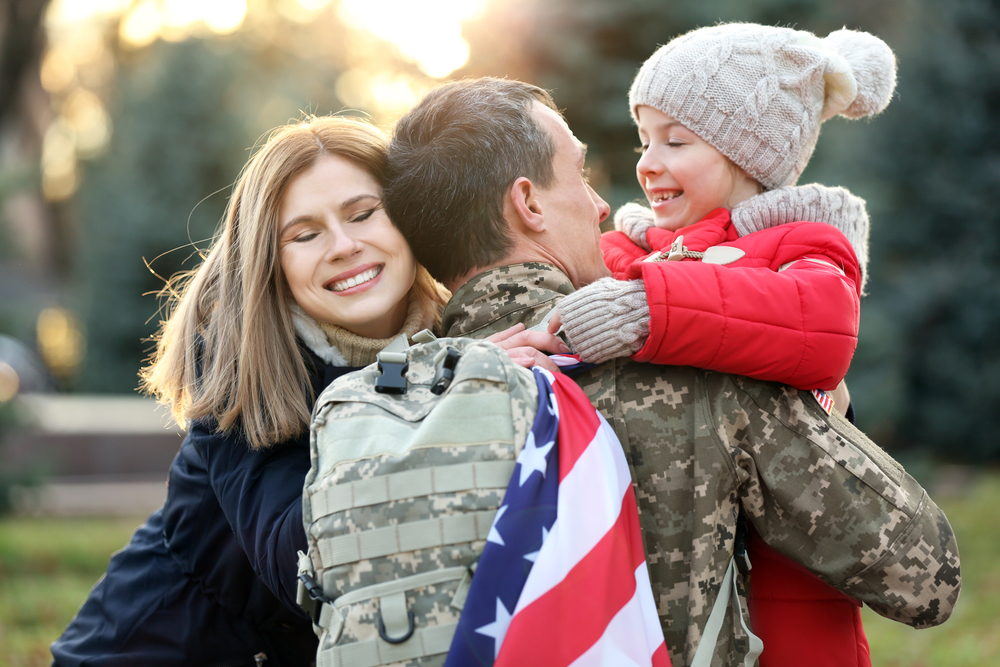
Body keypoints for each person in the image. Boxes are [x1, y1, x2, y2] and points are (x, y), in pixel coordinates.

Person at [383, 77, 962, 667]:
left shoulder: (391, 395)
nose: (601, 205)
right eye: (580, 174)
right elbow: (926, 577)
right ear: (528, 203)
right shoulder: (692, 367)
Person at [50, 115, 561, 667]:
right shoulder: (238, 368)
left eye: (364, 214)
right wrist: (444, 388)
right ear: (274, 263)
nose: (344, 246)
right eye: (305, 234)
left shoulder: (456, 335)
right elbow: (302, 554)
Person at [547, 24, 897, 666]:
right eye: (643, 139)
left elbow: (819, 328)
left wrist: (650, 308)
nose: (648, 161)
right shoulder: (627, 253)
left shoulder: (805, 247)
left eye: (675, 141)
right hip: (662, 591)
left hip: (785, 607)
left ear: (750, 154)